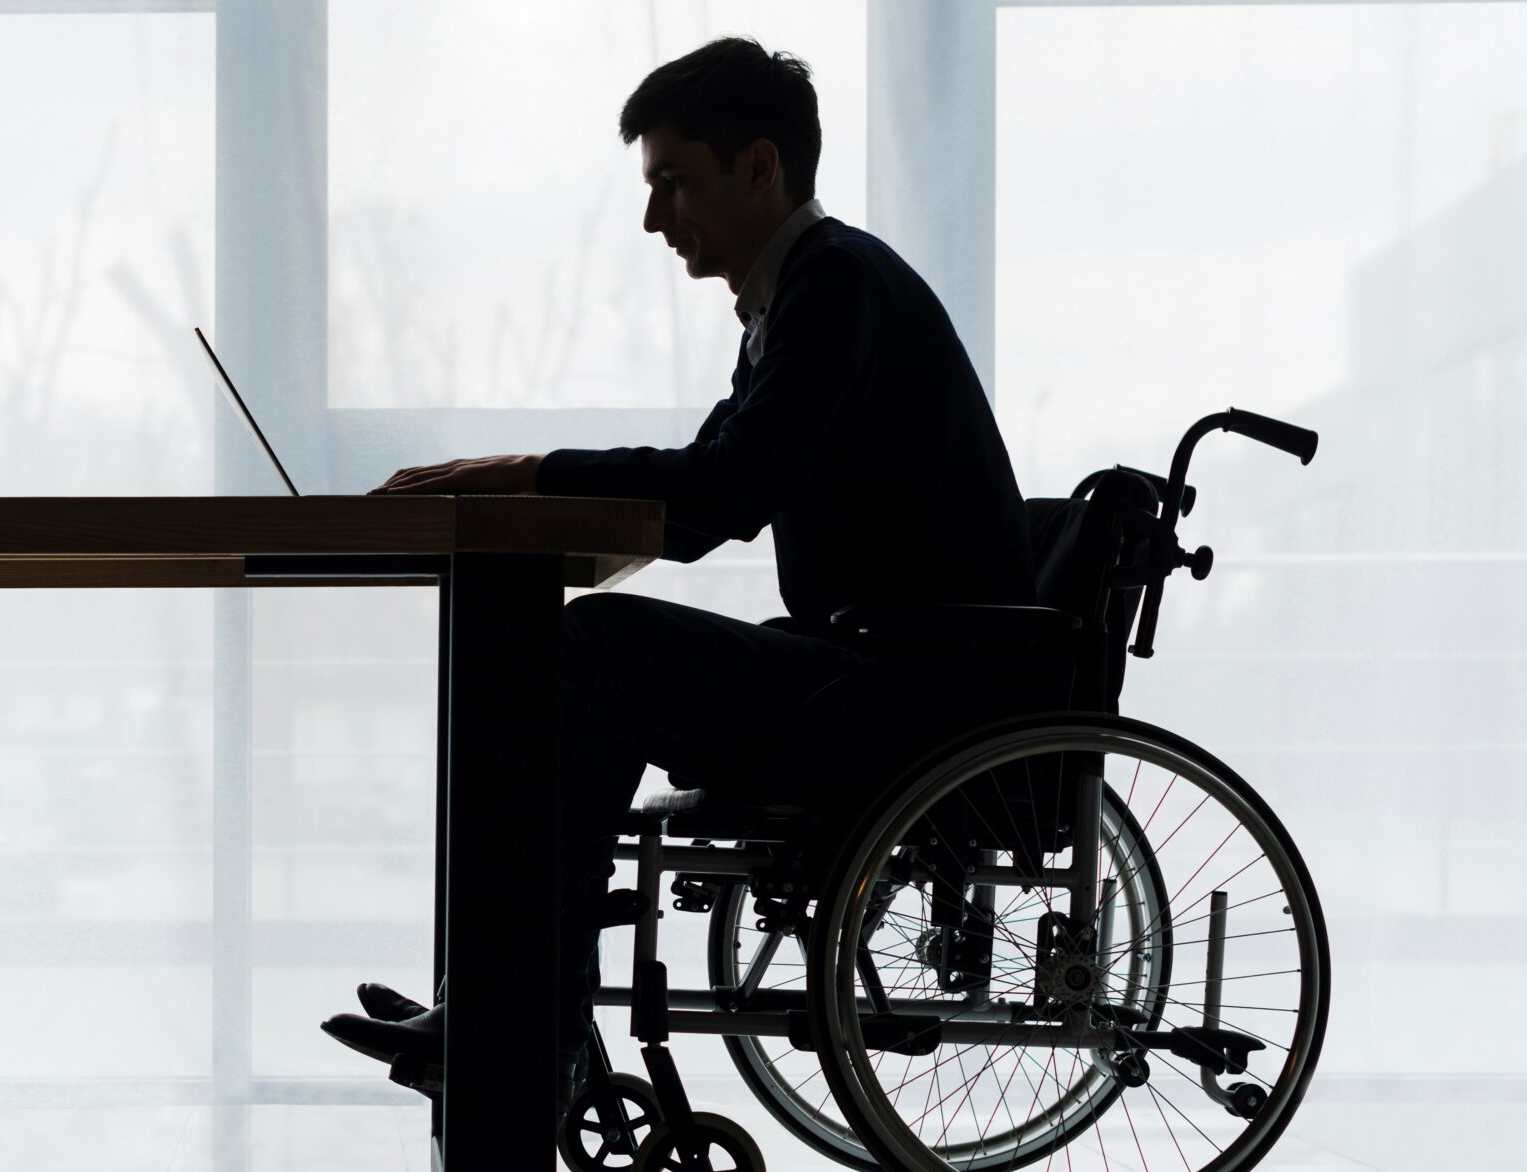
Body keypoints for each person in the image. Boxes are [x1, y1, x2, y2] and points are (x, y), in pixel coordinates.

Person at [319, 37, 1035, 1108]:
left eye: (671, 183)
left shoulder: (831, 289)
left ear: (758, 167)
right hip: (884, 663)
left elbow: (714, 495)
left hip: (906, 685)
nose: (655, 219)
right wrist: (533, 476)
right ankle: (518, 1007)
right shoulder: (805, 298)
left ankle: (525, 1018)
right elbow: (716, 486)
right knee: (582, 664)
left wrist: (524, 472)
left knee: (592, 652)